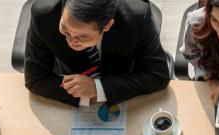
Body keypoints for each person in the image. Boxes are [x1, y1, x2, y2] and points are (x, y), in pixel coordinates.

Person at [25, 0, 170, 107]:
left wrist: (98, 89)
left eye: (82, 37)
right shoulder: (43, 14)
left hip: (123, 84)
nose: (70, 40)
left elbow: (158, 75)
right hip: (69, 82)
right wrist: (83, 96)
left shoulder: (137, 18)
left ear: (107, 25)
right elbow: (35, 80)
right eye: (65, 29)